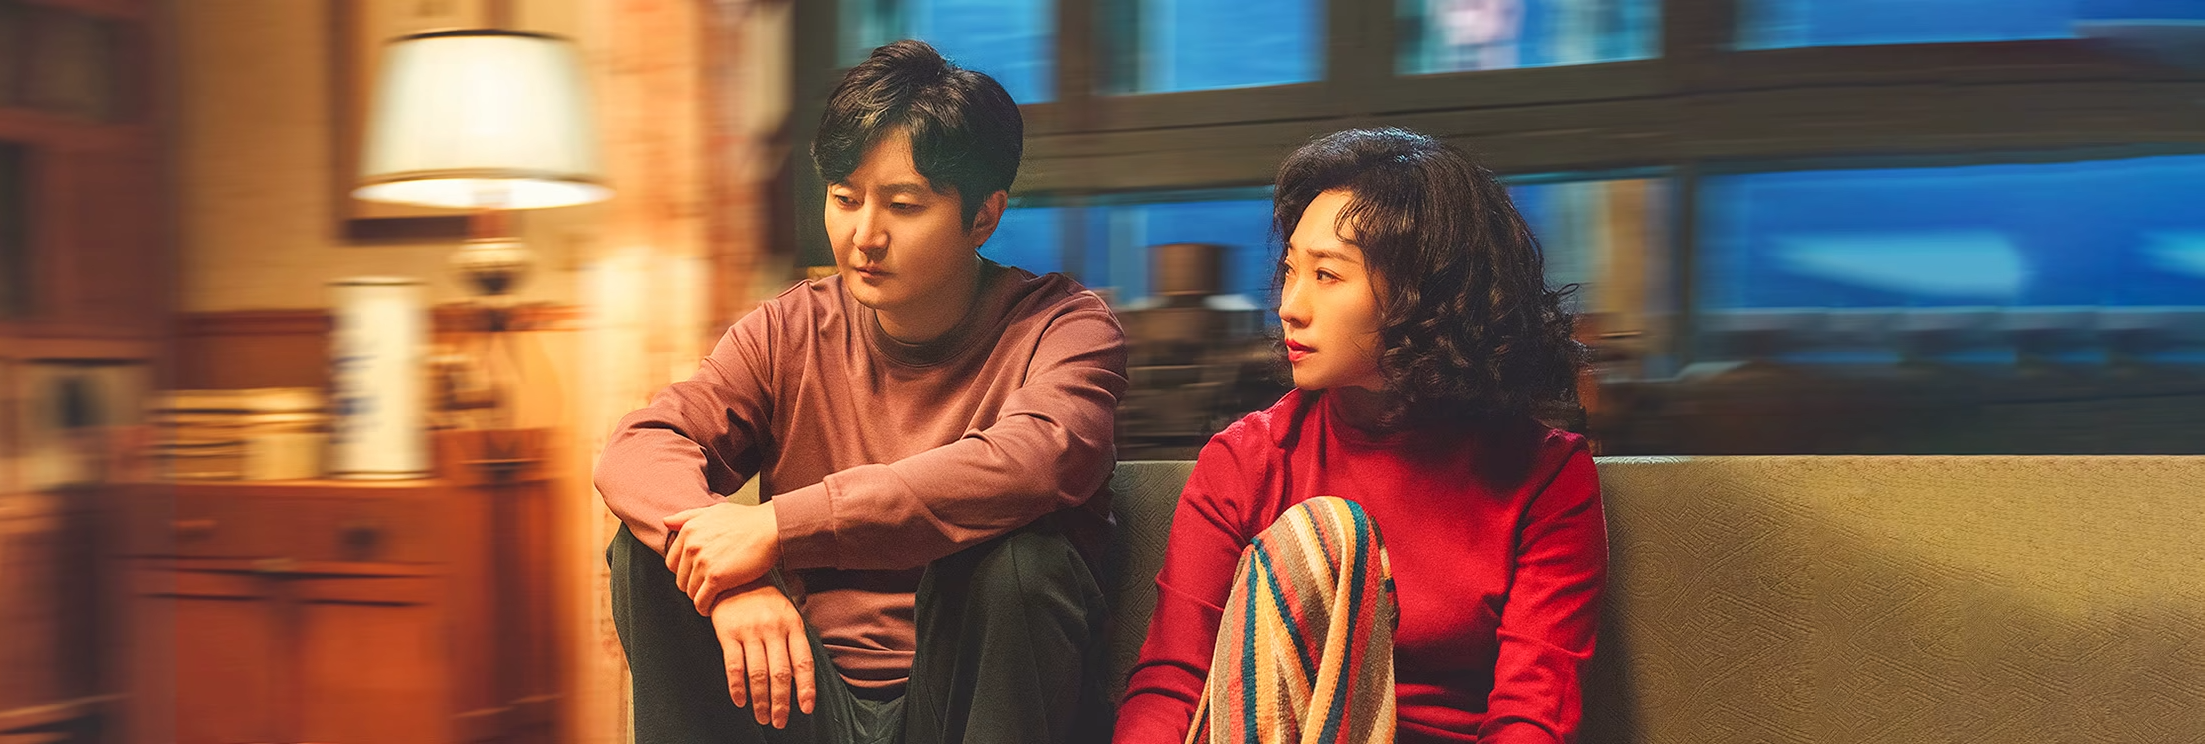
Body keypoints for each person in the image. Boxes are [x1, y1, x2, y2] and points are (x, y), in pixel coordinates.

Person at [597, 39, 1125, 744]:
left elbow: (1035, 459)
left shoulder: (1063, 327)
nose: (864, 236)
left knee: (1023, 564)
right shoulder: (789, 329)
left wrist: (778, 527)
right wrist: (734, 583)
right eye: (845, 199)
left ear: (984, 216)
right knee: (650, 553)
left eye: (903, 206)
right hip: (798, 688)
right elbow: (641, 445)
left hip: (965, 696)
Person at [1115, 128, 1605, 744]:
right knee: (1320, 537)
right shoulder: (1248, 459)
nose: (1290, 306)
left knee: (1328, 534)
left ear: (1425, 294)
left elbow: (1530, 718)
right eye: (1290, 270)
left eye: (1326, 275)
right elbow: (1175, 681)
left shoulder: (1546, 475)